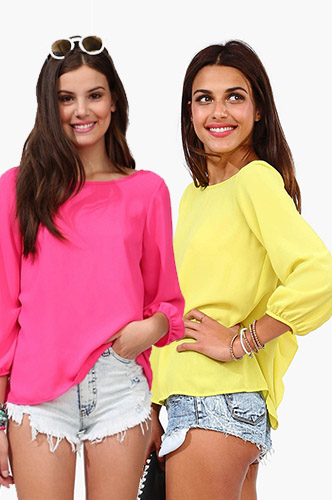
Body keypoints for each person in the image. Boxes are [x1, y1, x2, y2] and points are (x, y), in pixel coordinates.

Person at [0, 36, 184, 499]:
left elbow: (167, 301)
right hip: (38, 393)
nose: (81, 110)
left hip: (119, 385)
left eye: (94, 95)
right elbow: (0, 307)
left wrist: (149, 329)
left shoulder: (147, 191)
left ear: (114, 101)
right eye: (66, 98)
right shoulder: (18, 188)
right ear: (48, 106)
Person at [148, 40, 332, 499]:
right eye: (204, 98)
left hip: (214, 402)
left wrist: (240, 342)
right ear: (189, 112)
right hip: (199, 403)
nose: (218, 112)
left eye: (235, 96)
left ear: (258, 110)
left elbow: (319, 275)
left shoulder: (255, 180)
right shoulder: (195, 196)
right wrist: (151, 403)